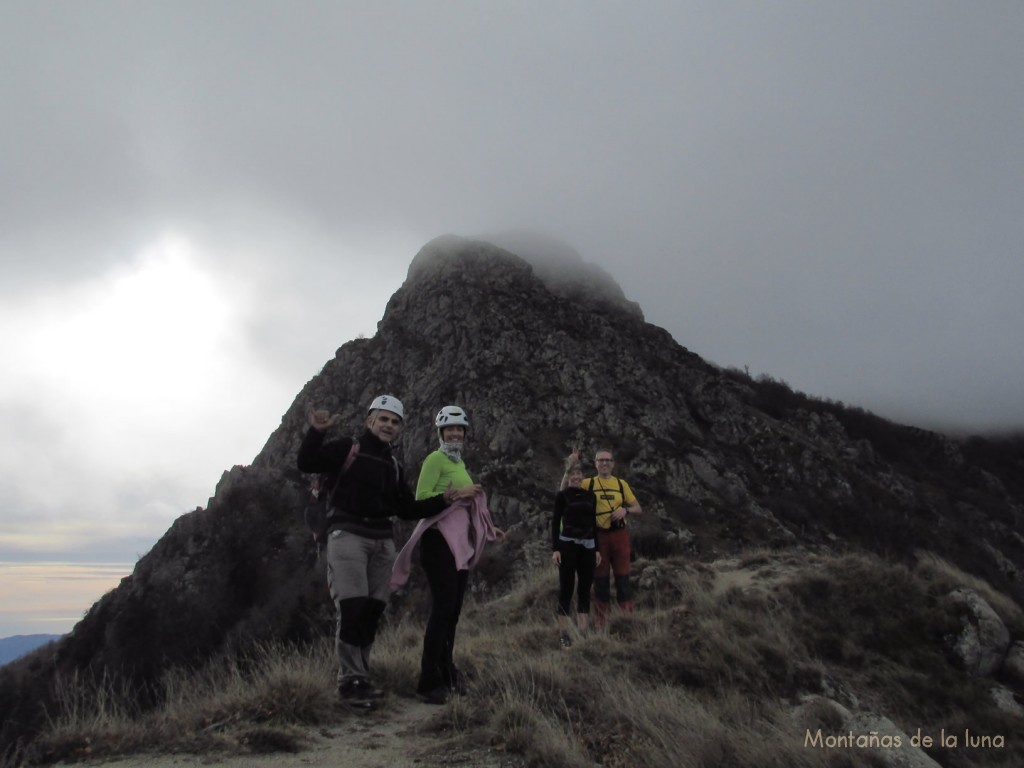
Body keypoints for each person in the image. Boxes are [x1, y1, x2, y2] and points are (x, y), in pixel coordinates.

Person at [297, 395, 476, 709]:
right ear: (370, 421)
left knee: (372, 611)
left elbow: (407, 508)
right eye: (384, 419)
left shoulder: (394, 465)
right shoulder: (347, 449)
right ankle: (350, 681)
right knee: (351, 607)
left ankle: (361, 677)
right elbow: (306, 462)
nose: (389, 426)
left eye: (395, 422)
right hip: (347, 534)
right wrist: (316, 433)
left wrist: (444, 501)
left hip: (382, 539)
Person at [391, 405, 504, 705]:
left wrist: (485, 521)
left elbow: (465, 503)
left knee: (452, 613)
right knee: (442, 611)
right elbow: (421, 501)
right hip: (437, 543)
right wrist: (455, 496)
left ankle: (447, 672)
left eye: (460, 429)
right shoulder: (435, 459)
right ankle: (428, 681)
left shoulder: (460, 464)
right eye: (450, 429)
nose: (455, 433)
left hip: (458, 548)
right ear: (440, 432)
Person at [560, 446, 642, 628]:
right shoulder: (588, 483)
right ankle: (601, 623)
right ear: (596, 464)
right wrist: (571, 464)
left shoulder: (621, 485)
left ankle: (627, 619)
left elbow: (638, 508)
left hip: (620, 536)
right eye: (600, 460)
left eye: (608, 460)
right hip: (597, 537)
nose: (604, 463)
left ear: (613, 464)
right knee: (600, 580)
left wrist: (625, 510)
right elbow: (564, 490)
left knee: (623, 578)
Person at [551, 460, 601, 649]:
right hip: (567, 546)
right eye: (573, 474)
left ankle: (583, 633)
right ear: (569, 477)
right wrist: (555, 549)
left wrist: (596, 549)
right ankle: (564, 634)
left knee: (585, 591)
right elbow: (555, 523)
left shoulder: (591, 497)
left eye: (579, 475)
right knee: (566, 589)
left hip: (588, 547)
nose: (576, 477)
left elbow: (593, 524)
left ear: (583, 478)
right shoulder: (562, 496)